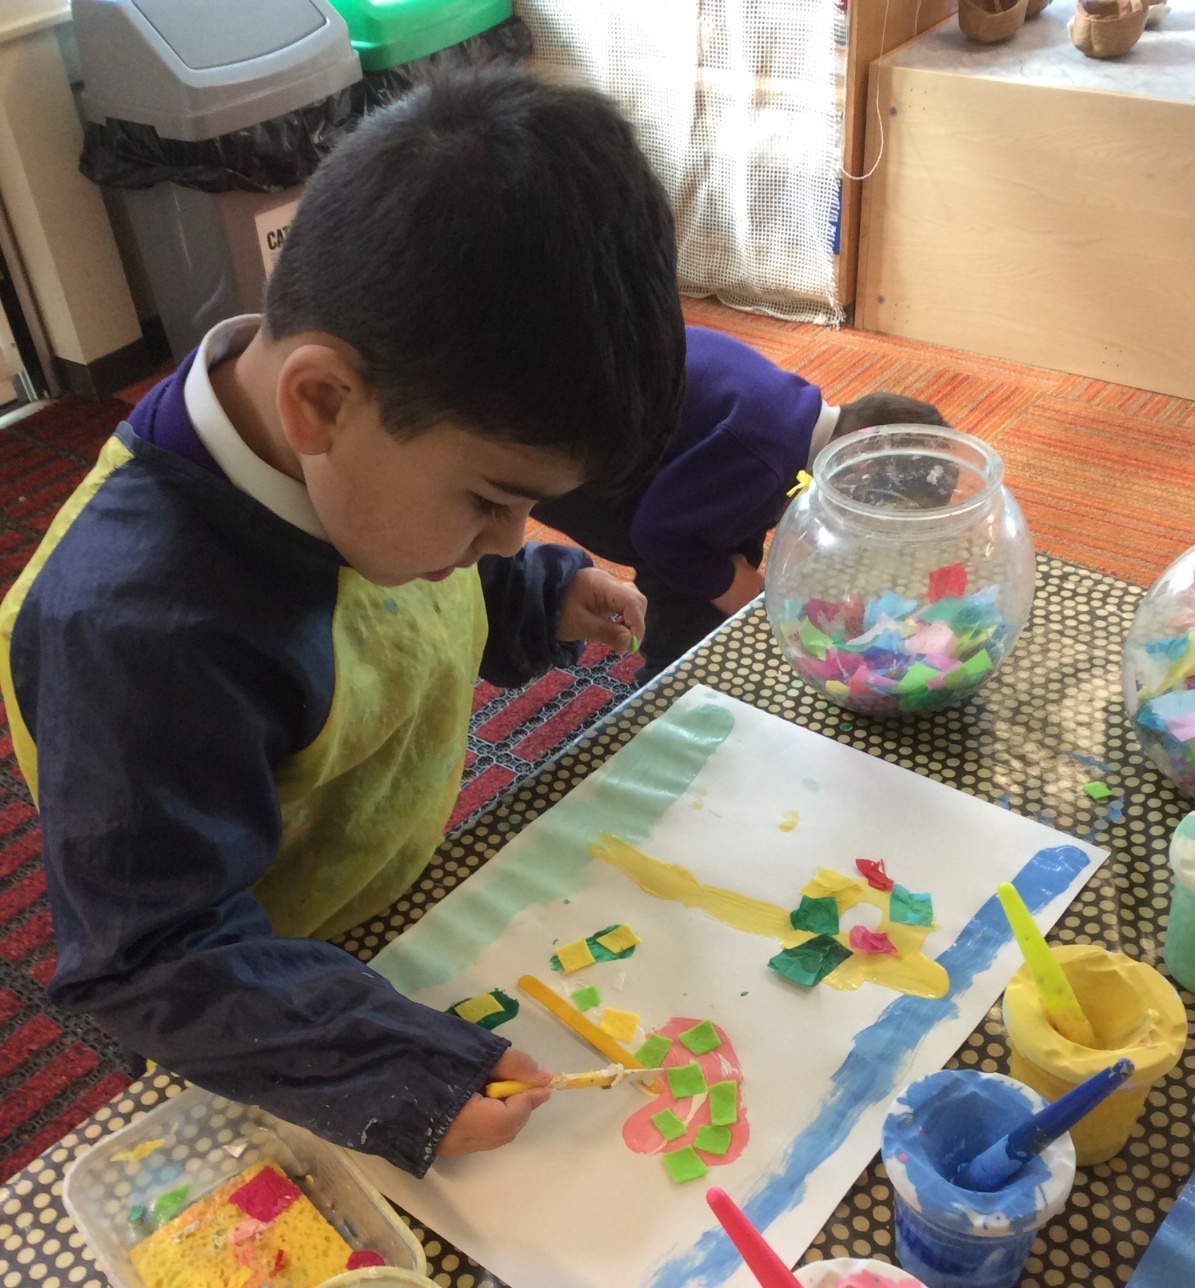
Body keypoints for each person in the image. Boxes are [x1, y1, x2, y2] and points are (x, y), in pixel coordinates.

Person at [0, 68, 686, 1177]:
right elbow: (152, 955)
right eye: (491, 501)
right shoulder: (132, 634)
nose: (507, 536)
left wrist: (529, 594)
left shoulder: (362, 471)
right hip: (254, 1005)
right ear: (318, 402)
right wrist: (384, 1067)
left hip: (383, 905)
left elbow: (401, 604)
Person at [534, 326, 946, 681]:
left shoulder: (793, 418)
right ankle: (671, 691)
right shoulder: (764, 459)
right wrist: (751, 599)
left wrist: (746, 579)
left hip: (596, 408)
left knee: (715, 561)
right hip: (557, 451)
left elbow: (728, 504)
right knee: (689, 587)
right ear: (858, 468)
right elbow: (660, 536)